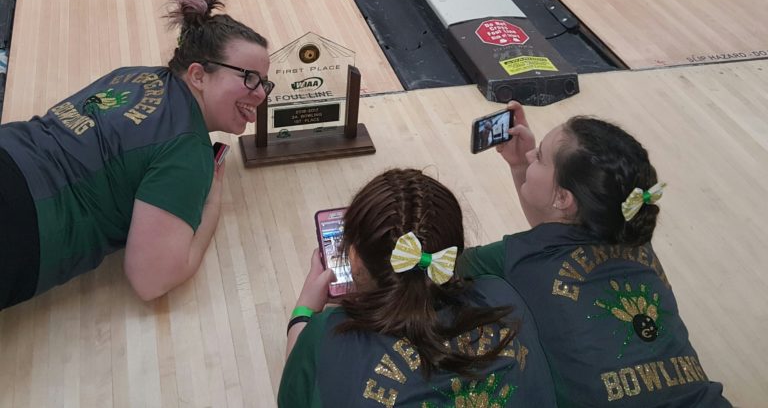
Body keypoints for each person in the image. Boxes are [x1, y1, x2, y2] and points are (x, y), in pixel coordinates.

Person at [0, 0, 273, 310]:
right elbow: (151, 280)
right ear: (198, 75)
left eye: (265, 83)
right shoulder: (188, 150)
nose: (261, 94)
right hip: (22, 221)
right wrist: (212, 202)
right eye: (250, 78)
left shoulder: (131, 76)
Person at [457, 102, 732, 407]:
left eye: (539, 158)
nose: (530, 155)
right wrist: (522, 167)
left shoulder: (514, 257)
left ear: (563, 197)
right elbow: (554, 230)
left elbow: (438, 267)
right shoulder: (631, 235)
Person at [278, 168, 557, 407]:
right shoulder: (501, 295)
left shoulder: (327, 334)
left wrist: (303, 314)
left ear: (355, 259)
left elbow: (294, 398)